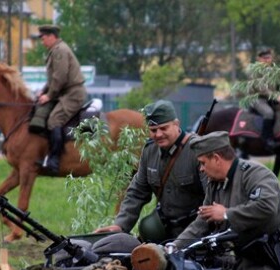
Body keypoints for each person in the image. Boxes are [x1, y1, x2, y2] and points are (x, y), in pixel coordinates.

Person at [174, 131, 280, 270]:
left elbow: (266, 206)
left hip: (277, 263)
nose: (201, 169)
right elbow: (202, 221)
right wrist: (174, 247)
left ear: (216, 158)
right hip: (247, 266)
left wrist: (226, 214)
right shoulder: (215, 184)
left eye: (203, 163)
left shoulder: (255, 174)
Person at [94, 100, 206, 243]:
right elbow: (136, 192)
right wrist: (120, 225)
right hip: (165, 232)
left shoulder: (197, 150)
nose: (158, 134)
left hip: (197, 234)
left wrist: (185, 240)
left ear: (176, 124)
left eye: (164, 128)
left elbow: (213, 199)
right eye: (153, 130)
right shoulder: (149, 152)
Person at [30, 24, 87, 173]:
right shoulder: (56, 50)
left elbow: (60, 78)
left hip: (73, 94)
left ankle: (55, 160)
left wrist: (48, 96)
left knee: (54, 119)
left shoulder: (59, 51)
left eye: (43, 38)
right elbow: (53, 79)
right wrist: (42, 92)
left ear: (51, 36)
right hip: (65, 92)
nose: (42, 42)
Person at [249, 48, 280, 152]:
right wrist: (276, 96)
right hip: (258, 99)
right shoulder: (255, 71)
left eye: (269, 58)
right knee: (269, 113)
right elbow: (262, 89)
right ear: (259, 59)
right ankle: (266, 140)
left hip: (270, 99)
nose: (267, 60)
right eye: (264, 58)